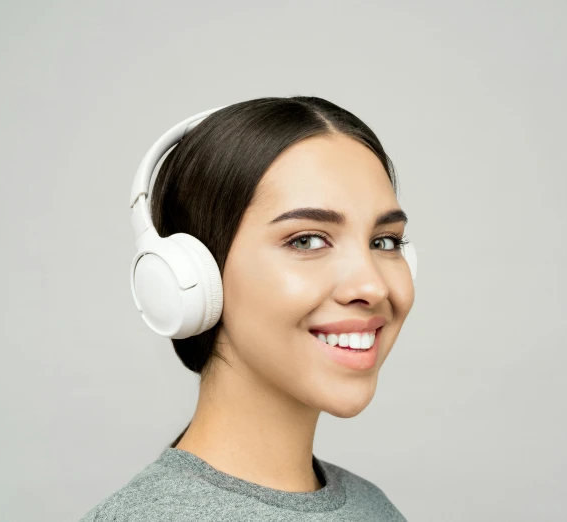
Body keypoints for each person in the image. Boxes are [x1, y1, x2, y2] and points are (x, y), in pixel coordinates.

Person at [80, 96, 416, 521]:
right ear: (193, 278)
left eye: (385, 241)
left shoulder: (374, 509)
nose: (372, 285)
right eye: (307, 240)